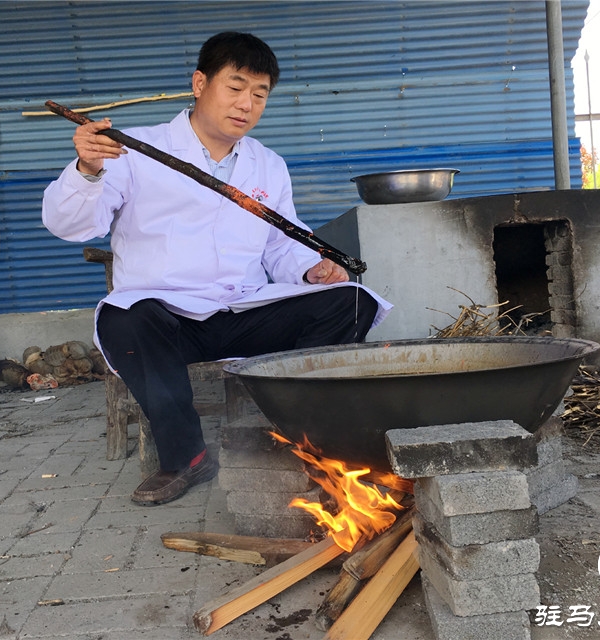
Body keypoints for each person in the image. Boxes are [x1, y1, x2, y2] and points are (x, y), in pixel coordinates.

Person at [43, 31, 391, 506]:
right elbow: (72, 225)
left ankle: (308, 440)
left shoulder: (267, 165)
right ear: (199, 83)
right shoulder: (133, 149)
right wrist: (86, 170)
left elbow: (280, 243)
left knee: (351, 300)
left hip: (242, 311)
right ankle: (186, 458)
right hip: (169, 318)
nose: (246, 103)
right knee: (125, 317)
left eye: (259, 93)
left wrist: (312, 270)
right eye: (235, 86)